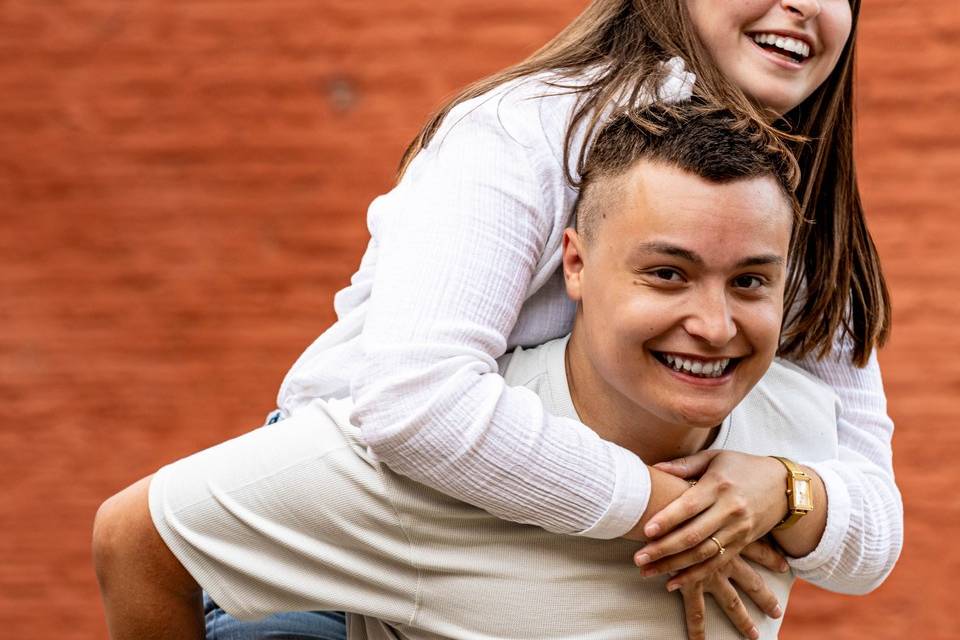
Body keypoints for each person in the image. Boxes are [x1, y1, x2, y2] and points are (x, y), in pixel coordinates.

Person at [94, 0, 902, 637]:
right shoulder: (525, 132)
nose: (802, 7)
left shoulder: (795, 206)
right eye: (667, 271)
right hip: (354, 550)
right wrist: (681, 512)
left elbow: (872, 513)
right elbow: (415, 403)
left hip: (549, 546)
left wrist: (786, 492)